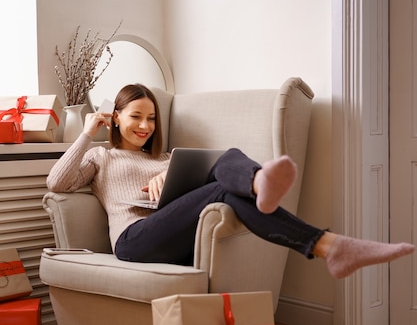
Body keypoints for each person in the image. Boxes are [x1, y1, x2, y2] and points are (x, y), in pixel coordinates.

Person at [47, 83, 415, 278]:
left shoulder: (166, 157)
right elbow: (57, 183)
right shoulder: (103, 156)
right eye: (136, 117)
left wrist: (165, 172)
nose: (145, 126)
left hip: (176, 238)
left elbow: (187, 197)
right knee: (227, 183)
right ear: (116, 118)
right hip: (133, 242)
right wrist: (87, 133)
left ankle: (320, 239)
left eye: (152, 118)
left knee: (226, 167)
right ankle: (316, 234)